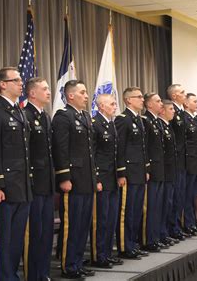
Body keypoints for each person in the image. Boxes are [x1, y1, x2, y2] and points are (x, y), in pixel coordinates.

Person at [0, 67, 32, 280]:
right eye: (16, 80)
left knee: (15, 239)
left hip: (22, 185)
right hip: (5, 187)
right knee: (1, 239)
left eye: (21, 80)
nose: (21, 84)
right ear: (3, 84)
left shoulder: (19, 111)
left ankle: (11, 275)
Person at [52, 80, 97, 279]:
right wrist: (63, 177)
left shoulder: (85, 116)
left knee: (83, 223)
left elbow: (90, 151)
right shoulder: (63, 117)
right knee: (71, 224)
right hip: (73, 179)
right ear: (71, 96)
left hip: (86, 178)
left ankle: (78, 261)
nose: (87, 96)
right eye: (83, 92)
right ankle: (68, 265)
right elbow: (60, 149)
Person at [24, 77, 55, 281]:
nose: (49, 92)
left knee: (46, 234)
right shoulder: (25, 115)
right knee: (34, 234)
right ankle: (33, 275)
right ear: (32, 93)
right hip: (33, 183)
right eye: (44, 89)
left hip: (47, 183)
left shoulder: (45, 117)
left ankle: (43, 273)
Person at [115, 87, 150, 260]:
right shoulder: (123, 119)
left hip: (139, 171)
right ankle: (124, 246)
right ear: (128, 100)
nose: (142, 100)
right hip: (128, 172)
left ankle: (133, 243)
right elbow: (120, 148)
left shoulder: (139, 120)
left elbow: (142, 148)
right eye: (138, 97)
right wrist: (121, 172)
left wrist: (146, 169)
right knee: (126, 211)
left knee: (136, 210)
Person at [90, 94, 123, 268]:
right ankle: (98, 255)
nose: (115, 106)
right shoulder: (95, 124)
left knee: (111, 218)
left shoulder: (111, 124)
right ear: (101, 106)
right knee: (101, 219)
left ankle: (107, 253)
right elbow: (93, 154)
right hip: (102, 177)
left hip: (112, 177)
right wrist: (96, 179)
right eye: (111, 104)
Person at [141, 93, 166, 252]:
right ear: (149, 105)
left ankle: (155, 237)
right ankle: (147, 240)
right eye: (157, 101)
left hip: (160, 168)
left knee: (157, 205)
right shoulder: (146, 121)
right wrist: (147, 167)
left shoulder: (156, 121)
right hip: (152, 169)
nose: (161, 104)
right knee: (149, 206)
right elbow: (145, 147)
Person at [166, 84, 189, 241]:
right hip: (175, 161)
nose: (184, 94)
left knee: (180, 196)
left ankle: (177, 227)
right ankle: (172, 228)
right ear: (174, 96)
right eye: (182, 92)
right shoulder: (170, 111)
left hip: (183, 160)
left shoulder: (180, 112)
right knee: (173, 197)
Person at [157, 100, 179, 246]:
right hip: (163, 171)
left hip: (170, 170)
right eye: (171, 109)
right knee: (162, 204)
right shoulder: (158, 125)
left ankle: (164, 233)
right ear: (163, 111)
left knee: (168, 203)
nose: (174, 111)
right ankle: (160, 234)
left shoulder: (167, 126)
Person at [183, 93, 197, 235]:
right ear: (186, 103)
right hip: (189, 163)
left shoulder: (194, 120)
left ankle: (191, 223)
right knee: (187, 195)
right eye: (194, 101)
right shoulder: (184, 119)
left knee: (193, 194)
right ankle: (187, 224)